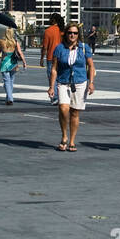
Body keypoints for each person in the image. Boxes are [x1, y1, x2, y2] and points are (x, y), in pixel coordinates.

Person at [47, 22, 94, 151]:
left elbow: (91, 66)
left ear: (78, 35)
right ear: (65, 34)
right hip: (63, 82)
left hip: (80, 83)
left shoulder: (84, 48)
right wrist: (51, 86)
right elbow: (54, 68)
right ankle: (64, 136)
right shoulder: (59, 48)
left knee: (74, 112)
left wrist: (91, 83)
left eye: (75, 33)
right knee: (63, 108)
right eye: (70, 33)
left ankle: (72, 140)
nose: (72, 35)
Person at [0, 29, 26, 104]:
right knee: (11, 81)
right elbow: (20, 52)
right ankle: (8, 98)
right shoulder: (15, 42)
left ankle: (10, 98)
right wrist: (24, 62)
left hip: (4, 63)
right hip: (13, 63)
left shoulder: (2, 41)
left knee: (7, 81)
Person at [40, 14, 64, 103]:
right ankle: (61, 96)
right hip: (62, 57)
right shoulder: (62, 31)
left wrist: (42, 58)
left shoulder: (48, 31)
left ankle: (54, 97)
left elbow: (45, 47)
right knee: (60, 78)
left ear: (53, 20)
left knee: (52, 78)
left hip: (51, 57)